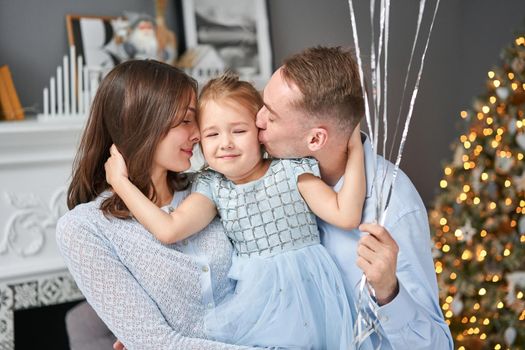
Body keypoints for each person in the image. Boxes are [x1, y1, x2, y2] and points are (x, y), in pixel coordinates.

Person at [104, 74, 365, 349]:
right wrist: (121, 184)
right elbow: (169, 229)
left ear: (260, 133)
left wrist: (355, 147)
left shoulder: (290, 170)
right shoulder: (212, 187)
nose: (226, 142)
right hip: (258, 301)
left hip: (312, 292)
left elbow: (345, 215)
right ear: (201, 142)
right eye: (212, 134)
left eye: (239, 131)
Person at [255, 46, 454, 349]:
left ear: (316, 139)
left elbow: (438, 346)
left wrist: (389, 291)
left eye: (272, 116)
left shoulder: (393, 205)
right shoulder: (271, 173)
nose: (257, 120)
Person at [56, 60, 256, 349]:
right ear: (143, 122)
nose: (198, 134)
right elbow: (157, 343)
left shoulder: (213, 186)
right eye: (187, 120)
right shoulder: (85, 229)